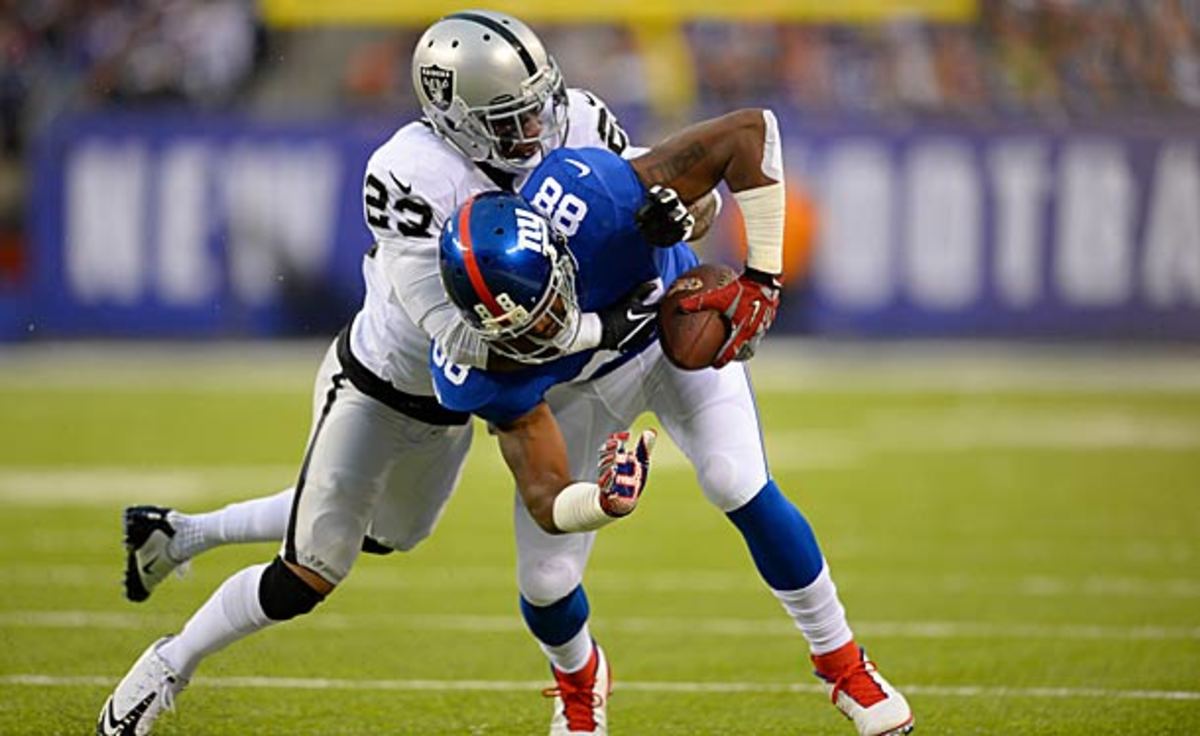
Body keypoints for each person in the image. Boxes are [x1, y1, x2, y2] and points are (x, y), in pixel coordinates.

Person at [98, 11, 693, 735]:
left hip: (455, 406)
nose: (535, 129)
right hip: (383, 384)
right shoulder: (410, 174)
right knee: (309, 573)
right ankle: (167, 665)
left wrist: (680, 213)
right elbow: (463, 338)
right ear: (454, 119)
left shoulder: (570, 123)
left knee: (384, 535)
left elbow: (668, 180)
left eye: (536, 105)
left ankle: (178, 534)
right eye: (510, 118)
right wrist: (607, 325)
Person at [428, 109, 914, 736]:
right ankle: (580, 682)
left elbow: (748, 135)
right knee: (545, 580)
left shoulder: (590, 199)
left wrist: (760, 275)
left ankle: (843, 663)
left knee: (733, 478)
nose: (543, 329)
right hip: (577, 397)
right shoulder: (479, 364)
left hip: (665, 338)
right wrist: (600, 502)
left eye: (547, 307)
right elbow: (545, 494)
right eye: (522, 329)